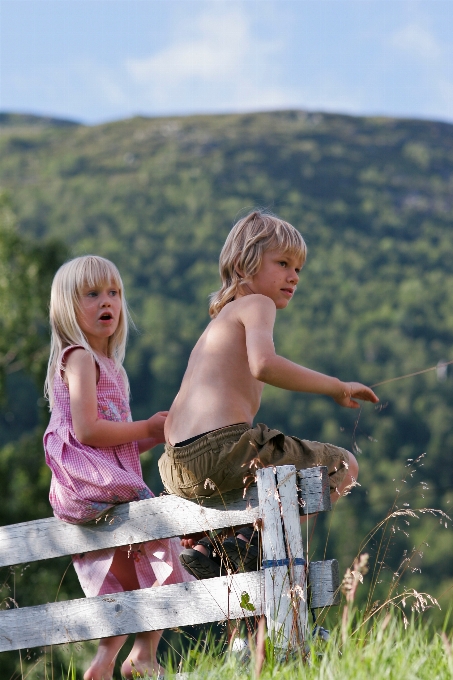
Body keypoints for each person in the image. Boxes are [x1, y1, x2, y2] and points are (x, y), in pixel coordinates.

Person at [159, 210, 379, 580]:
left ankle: (213, 546)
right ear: (245, 265)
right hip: (223, 450)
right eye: (283, 263)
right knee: (345, 469)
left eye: (299, 269)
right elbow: (264, 364)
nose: (294, 276)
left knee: (252, 481)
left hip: (174, 467)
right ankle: (253, 536)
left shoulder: (218, 323)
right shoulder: (256, 304)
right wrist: (336, 386)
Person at [44, 255, 193, 680]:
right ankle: (143, 654)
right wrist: (145, 424)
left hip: (100, 478)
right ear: (68, 309)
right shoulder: (80, 358)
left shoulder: (112, 368)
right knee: (168, 541)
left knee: (128, 575)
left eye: (114, 293)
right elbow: (89, 431)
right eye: (92, 294)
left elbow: (118, 444)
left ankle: (105, 662)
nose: (106, 301)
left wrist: (157, 434)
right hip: (86, 479)